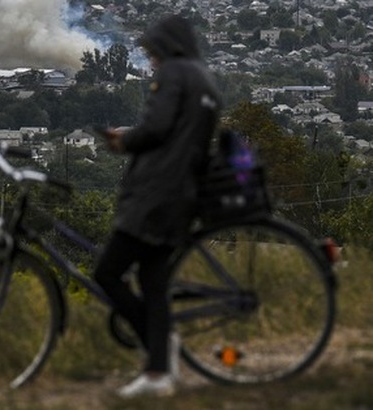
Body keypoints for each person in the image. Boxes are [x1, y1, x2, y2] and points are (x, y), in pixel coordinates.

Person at [93, 15, 222, 398]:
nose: (151, 61)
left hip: (156, 194)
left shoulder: (174, 75)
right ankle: (158, 372)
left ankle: (159, 348)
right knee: (153, 283)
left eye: (153, 54)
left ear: (168, 47)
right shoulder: (205, 79)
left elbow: (157, 127)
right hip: (181, 194)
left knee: (108, 273)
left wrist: (124, 141)